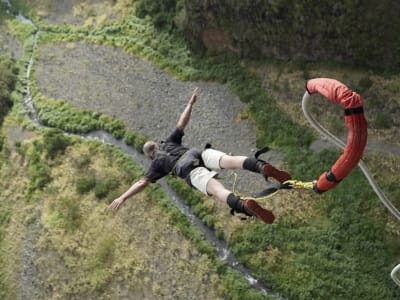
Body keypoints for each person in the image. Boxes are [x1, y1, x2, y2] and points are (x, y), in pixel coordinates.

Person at [108, 87, 291, 224]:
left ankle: (244, 205)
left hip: (188, 170)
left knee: (218, 190)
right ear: (157, 144)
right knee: (232, 161)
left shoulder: (156, 164)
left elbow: (142, 183)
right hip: (197, 153)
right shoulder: (169, 141)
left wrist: (122, 197)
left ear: (149, 155)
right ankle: (261, 167)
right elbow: (182, 122)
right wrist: (190, 104)